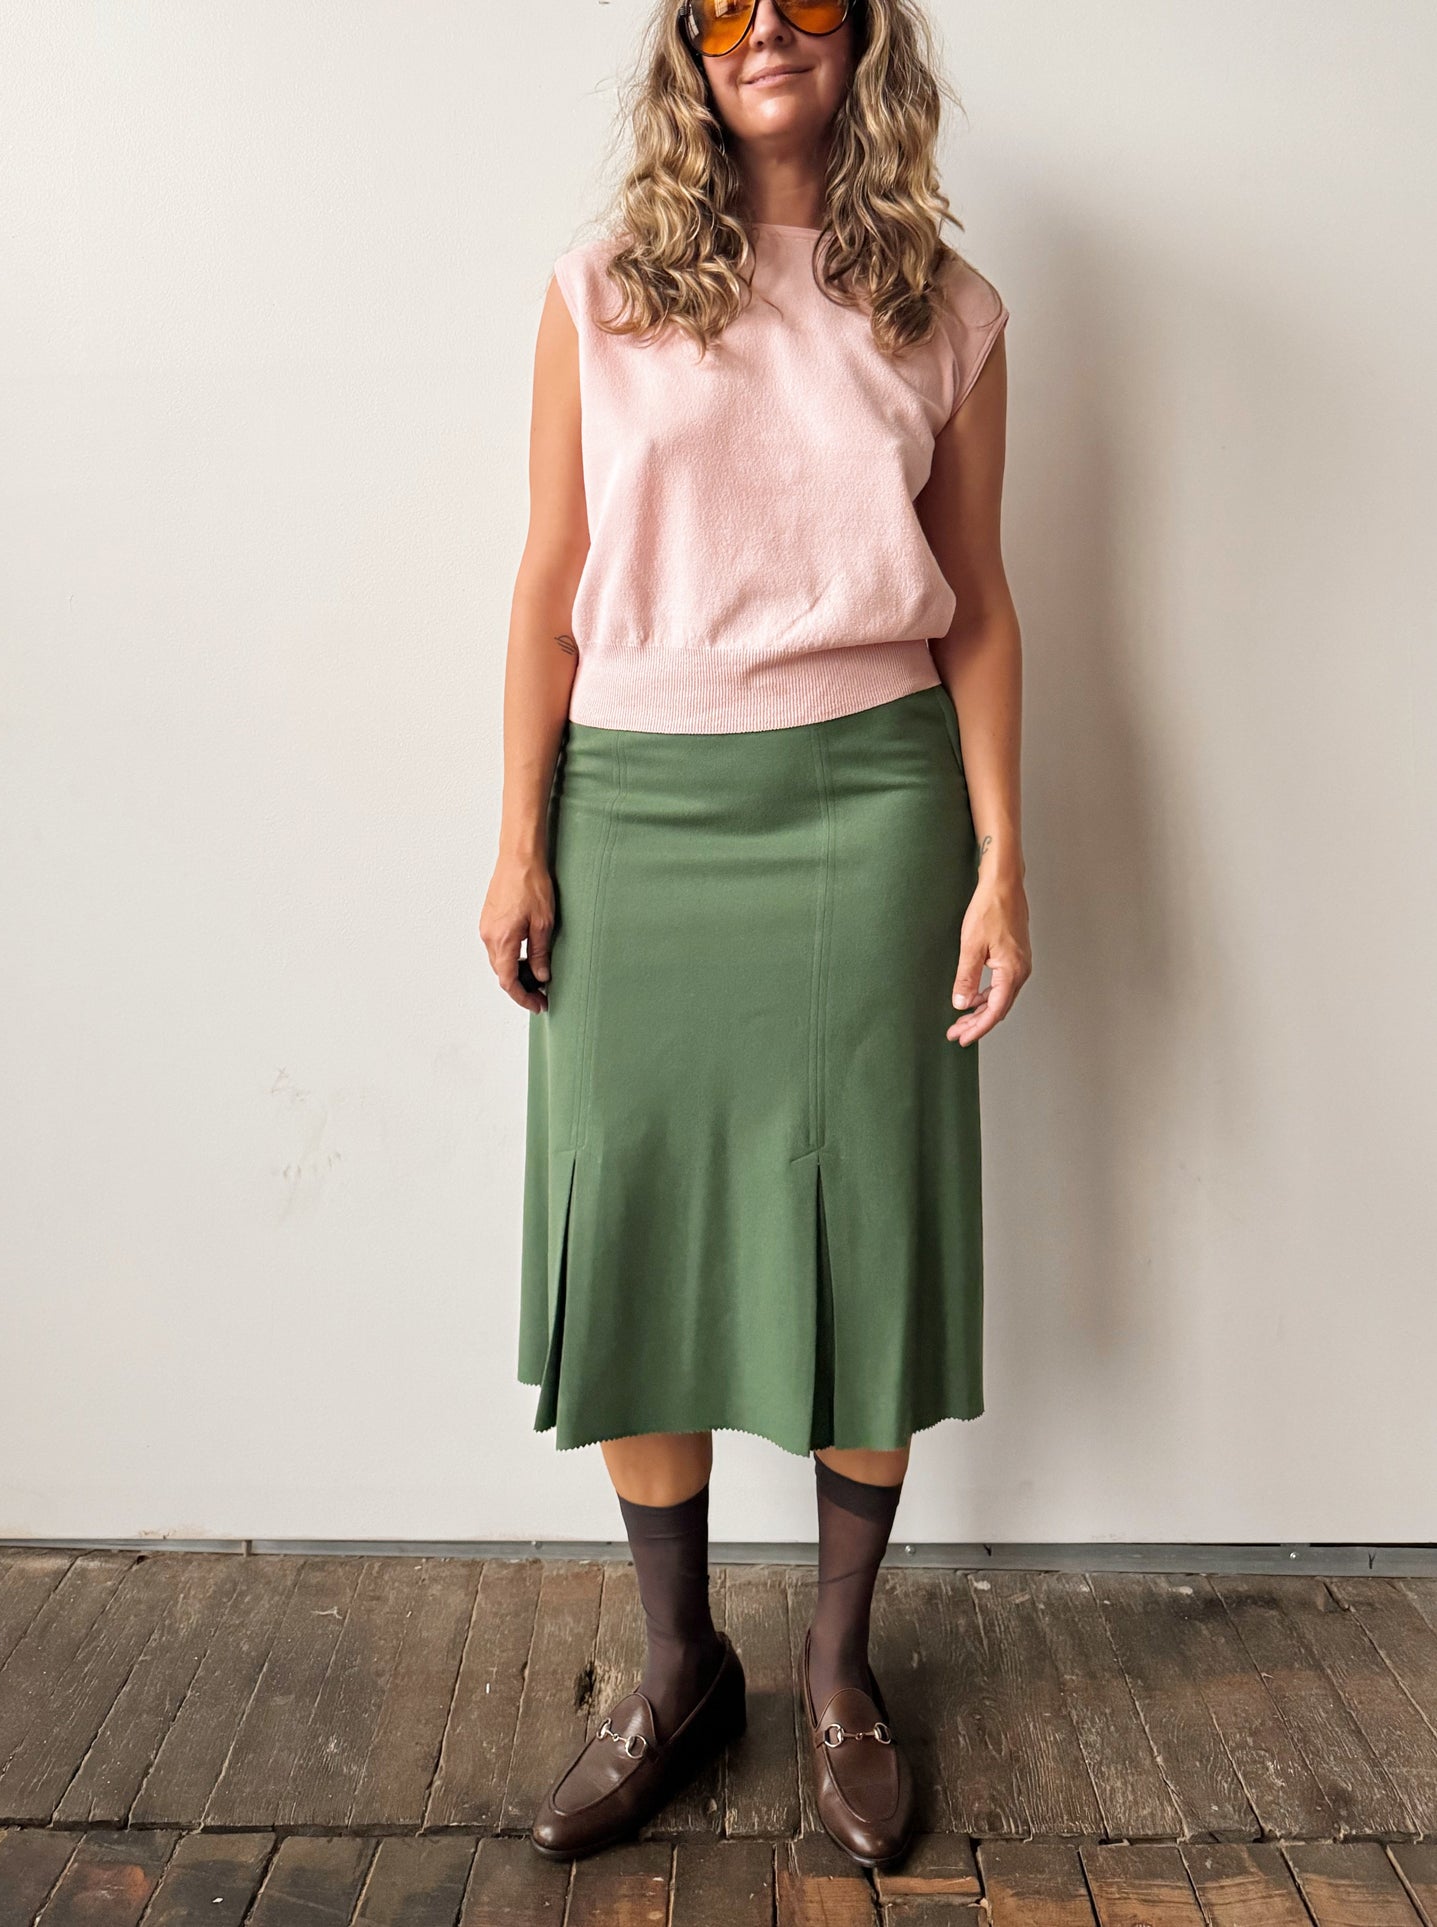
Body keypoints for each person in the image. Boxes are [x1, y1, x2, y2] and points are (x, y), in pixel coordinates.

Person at [480, 0, 1031, 1869]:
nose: (766, 27)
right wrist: (517, 840)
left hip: (871, 802)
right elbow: (549, 586)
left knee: (860, 1212)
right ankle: (674, 1665)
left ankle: (842, 1670)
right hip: (633, 808)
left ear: (866, 33)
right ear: (683, 47)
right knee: (638, 1219)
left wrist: (1003, 852)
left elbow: (976, 604)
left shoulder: (942, 307)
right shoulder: (599, 291)